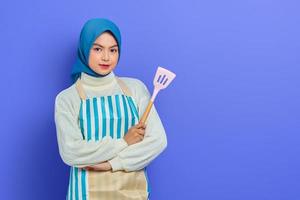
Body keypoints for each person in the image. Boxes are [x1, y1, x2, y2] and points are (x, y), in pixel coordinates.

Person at [54, 18, 167, 200]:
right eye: (97, 49)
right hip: (85, 194)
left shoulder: (135, 88)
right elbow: (71, 151)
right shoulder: (68, 98)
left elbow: (157, 141)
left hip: (131, 192)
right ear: (84, 49)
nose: (106, 57)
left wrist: (112, 164)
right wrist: (123, 142)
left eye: (113, 50)